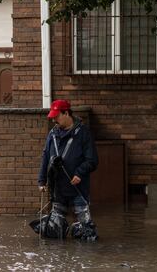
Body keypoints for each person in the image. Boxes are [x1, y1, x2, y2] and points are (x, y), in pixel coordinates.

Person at [31, 99, 99, 241]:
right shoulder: (52, 134)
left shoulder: (83, 133)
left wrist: (79, 173)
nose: (54, 120)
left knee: (87, 235)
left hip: (78, 187)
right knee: (54, 233)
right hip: (58, 188)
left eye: (57, 116)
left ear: (66, 113)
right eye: (53, 117)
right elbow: (45, 156)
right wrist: (41, 180)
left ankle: (83, 252)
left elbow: (92, 160)